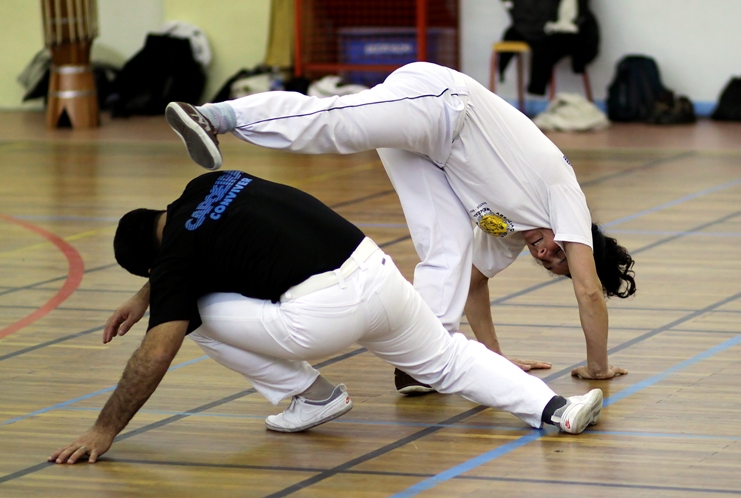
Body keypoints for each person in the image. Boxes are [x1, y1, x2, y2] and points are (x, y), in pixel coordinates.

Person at [49, 170, 603, 465]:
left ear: (151, 263)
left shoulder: (176, 264)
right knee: (449, 359)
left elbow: (156, 350)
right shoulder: (209, 183)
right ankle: (555, 408)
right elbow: (193, 239)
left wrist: (104, 428)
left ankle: (312, 396)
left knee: (187, 318)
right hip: (378, 274)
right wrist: (149, 292)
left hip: (323, 311)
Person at [164, 61, 635, 394]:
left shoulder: (513, 234)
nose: (543, 255)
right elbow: (589, 291)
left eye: (547, 265)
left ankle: (423, 360)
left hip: (433, 154)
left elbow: (473, 284)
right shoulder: (565, 193)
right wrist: (597, 367)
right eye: (558, 252)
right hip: (443, 103)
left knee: (449, 250)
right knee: (341, 125)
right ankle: (217, 115)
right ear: (579, 239)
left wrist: (492, 357)